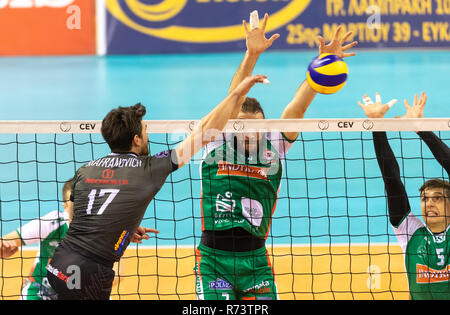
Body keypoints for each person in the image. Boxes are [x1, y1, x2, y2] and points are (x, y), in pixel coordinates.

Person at [46, 74, 269, 300]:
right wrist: (237, 94)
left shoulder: (85, 170)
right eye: (145, 130)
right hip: (90, 272)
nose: (147, 134)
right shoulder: (149, 169)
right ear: (136, 139)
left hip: (59, 263)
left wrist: (122, 228)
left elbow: (80, 215)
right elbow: (206, 132)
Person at [194, 14, 358, 300]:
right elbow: (232, 98)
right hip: (213, 262)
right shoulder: (216, 140)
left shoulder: (275, 145)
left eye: (256, 127)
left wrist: (320, 69)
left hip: (256, 263)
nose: (249, 132)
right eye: (242, 125)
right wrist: (251, 54)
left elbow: (297, 109)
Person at [358, 91, 450, 299]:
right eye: (425, 199)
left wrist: (421, 129)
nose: (429, 204)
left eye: (438, 198)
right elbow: (392, 180)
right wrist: (377, 125)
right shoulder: (409, 232)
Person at [0, 179, 156, 300]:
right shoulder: (52, 223)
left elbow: (119, 274)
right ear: (64, 206)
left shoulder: (103, 229)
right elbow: (6, 241)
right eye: (72, 200)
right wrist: (4, 249)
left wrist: (122, 236)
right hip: (42, 290)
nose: (77, 204)